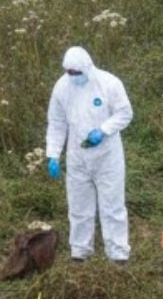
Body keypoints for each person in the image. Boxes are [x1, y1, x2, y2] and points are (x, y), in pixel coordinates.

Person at [45, 46, 134, 263]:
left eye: (77, 73)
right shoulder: (62, 87)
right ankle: (80, 252)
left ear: (87, 67)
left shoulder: (109, 83)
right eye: (70, 73)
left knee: (112, 206)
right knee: (78, 206)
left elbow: (125, 113)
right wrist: (53, 154)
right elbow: (57, 123)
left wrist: (103, 130)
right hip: (77, 156)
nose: (73, 77)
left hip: (107, 156)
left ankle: (118, 254)